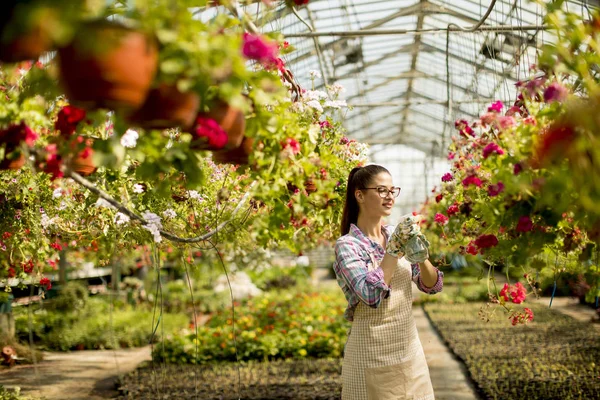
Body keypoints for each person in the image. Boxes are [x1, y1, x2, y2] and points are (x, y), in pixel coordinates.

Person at [333, 164, 443, 400]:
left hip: (409, 352)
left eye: (393, 191)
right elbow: (370, 295)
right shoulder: (348, 245)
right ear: (359, 195)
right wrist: (393, 249)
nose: (389, 196)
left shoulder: (395, 232)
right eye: (382, 190)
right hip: (370, 354)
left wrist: (420, 255)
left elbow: (432, 286)